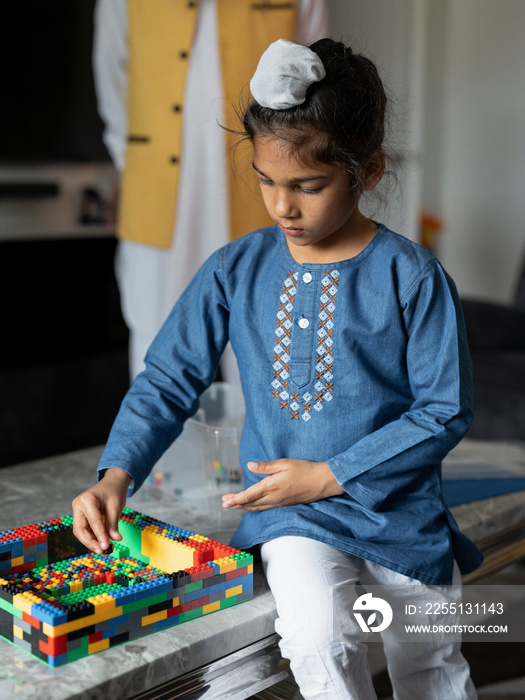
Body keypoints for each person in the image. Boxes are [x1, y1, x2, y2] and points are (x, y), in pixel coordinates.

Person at [73, 38, 482, 699]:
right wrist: (115, 475)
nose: (282, 207)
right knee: (320, 640)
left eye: (307, 186)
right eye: (267, 181)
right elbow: (168, 377)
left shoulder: (413, 276)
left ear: (367, 170)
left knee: (431, 662)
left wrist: (328, 474)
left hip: (400, 512)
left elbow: (442, 410)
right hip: (292, 517)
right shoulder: (235, 269)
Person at [93, 0, 328, 380]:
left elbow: (316, 69)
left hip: (265, 191)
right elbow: (112, 72)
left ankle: (261, 440)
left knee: (268, 339)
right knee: (155, 340)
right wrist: (135, 160)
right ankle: (161, 441)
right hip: (155, 190)